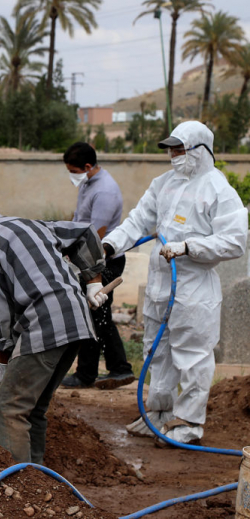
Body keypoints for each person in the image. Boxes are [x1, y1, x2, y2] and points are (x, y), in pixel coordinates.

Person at [103, 121, 247, 444]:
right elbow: (139, 220)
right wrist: (110, 245)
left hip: (193, 290)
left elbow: (236, 241)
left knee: (192, 356)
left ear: (200, 150)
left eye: (179, 149)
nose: (173, 155)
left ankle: (190, 423)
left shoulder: (218, 189)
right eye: (170, 149)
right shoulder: (164, 183)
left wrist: (190, 247)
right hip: (160, 288)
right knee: (158, 352)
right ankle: (159, 413)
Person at [0, 181, 106, 464]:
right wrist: (93, 281)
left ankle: (19, 488)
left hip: (45, 326)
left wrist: (1, 361)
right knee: (33, 408)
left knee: (9, 407)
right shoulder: (32, 225)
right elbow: (85, 232)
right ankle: (38, 484)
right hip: (77, 321)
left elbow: (1, 315)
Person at [60, 142, 136, 390]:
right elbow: (79, 220)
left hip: (102, 260)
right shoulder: (89, 183)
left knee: (92, 314)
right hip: (89, 257)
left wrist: (74, 257)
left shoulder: (104, 191)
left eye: (73, 171)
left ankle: (86, 375)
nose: (71, 176)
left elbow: (96, 234)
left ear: (88, 166)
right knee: (99, 316)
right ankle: (119, 369)